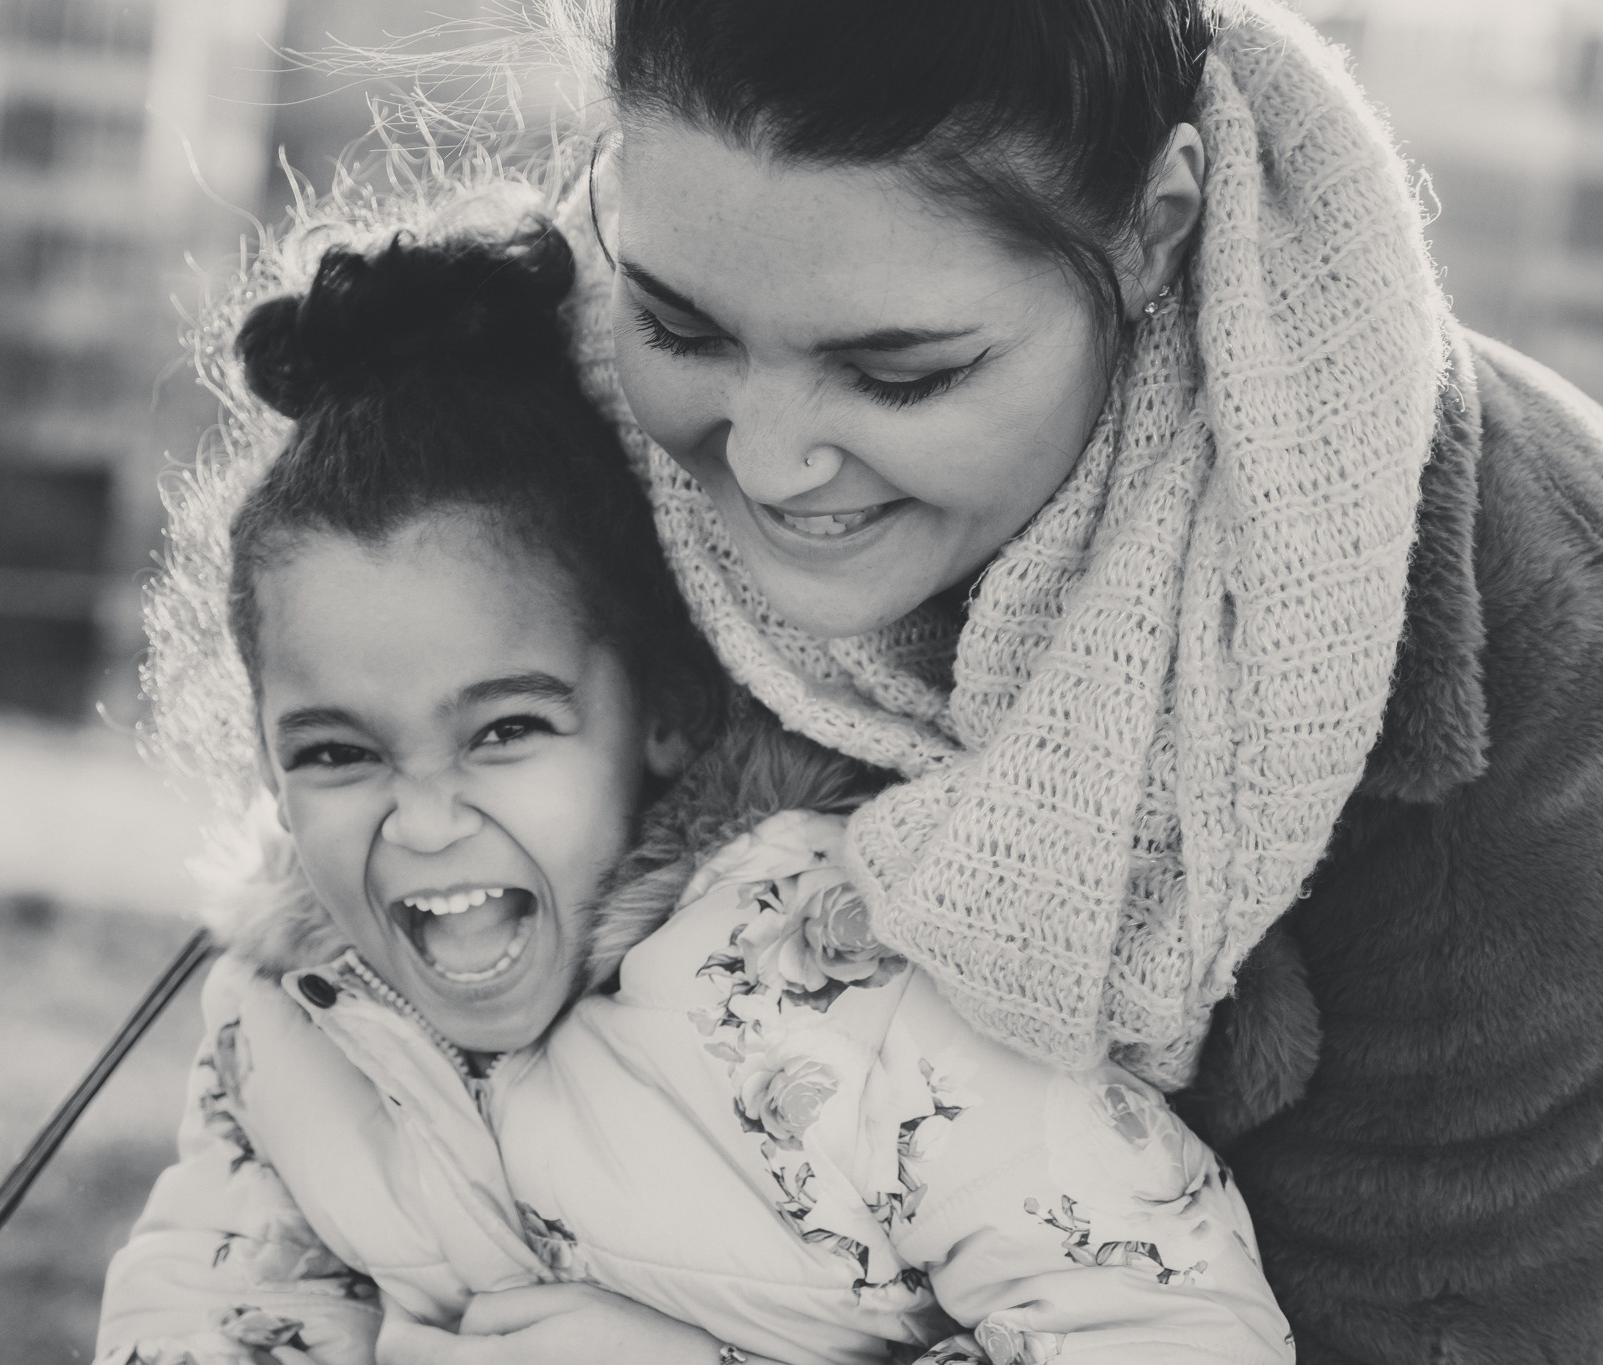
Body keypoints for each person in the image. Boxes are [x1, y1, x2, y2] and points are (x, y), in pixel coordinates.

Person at [514, 0, 1603, 1360]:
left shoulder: (1527, 635)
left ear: (1154, 228)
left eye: (898, 372)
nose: (771, 459)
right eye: (680, 328)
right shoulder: (530, 418)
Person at [96, 221, 1295, 1365]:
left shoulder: (861, 996)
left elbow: (1179, 1334)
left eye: (505, 729)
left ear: (661, 710)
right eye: (335, 755)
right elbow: (201, 1310)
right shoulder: (283, 1029)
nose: (421, 820)